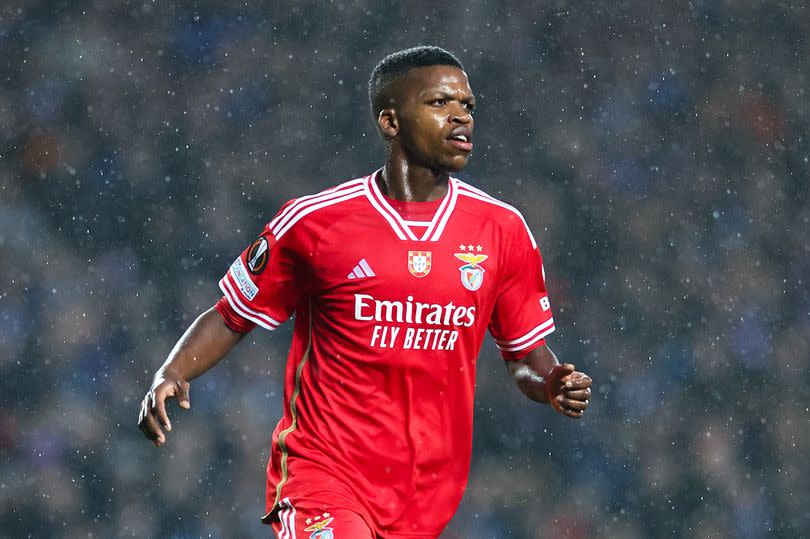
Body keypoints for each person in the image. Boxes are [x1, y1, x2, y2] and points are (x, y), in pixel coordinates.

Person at [138, 45, 592, 538]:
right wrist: (172, 371)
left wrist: (550, 384)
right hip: (323, 474)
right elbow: (233, 314)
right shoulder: (316, 222)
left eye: (468, 105)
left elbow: (522, 354)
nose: (462, 115)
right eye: (440, 103)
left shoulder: (503, 230)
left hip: (425, 493)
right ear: (390, 123)